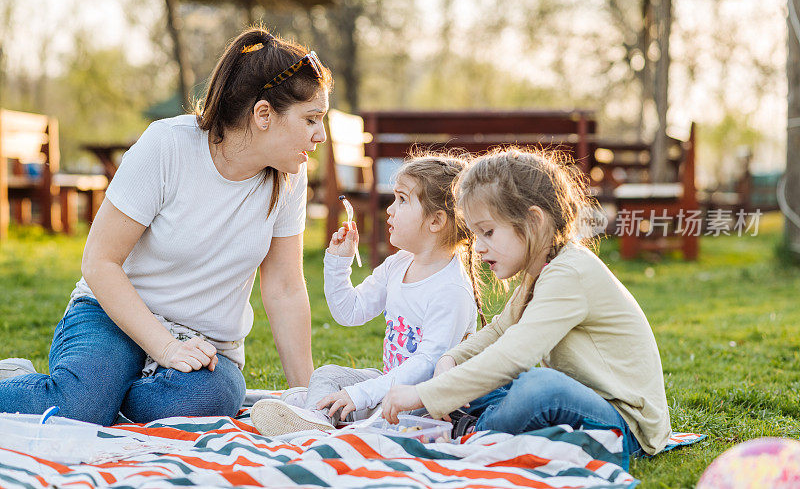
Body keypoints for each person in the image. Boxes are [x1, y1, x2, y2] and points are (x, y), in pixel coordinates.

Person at [0, 27, 333, 426]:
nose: (321, 135)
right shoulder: (167, 146)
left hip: (205, 342)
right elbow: (99, 261)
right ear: (263, 115)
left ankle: (102, 390)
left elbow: (284, 286)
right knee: (79, 407)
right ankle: (61, 386)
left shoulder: (288, 176)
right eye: (312, 119)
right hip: (115, 317)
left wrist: (305, 399)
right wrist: (164, 349)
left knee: (210, 398)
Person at [381, 147, 672, 457]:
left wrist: (425, 395)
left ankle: (471, 432)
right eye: (476, 234)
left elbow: (514, 354)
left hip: (626, 425)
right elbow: (499, 331)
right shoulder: (541, 270)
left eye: (489, 232)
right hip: (584, 402)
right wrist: (451, 360)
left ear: (534, 222)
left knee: (538, 387)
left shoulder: (569, 273)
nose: (478, 247)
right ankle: (478, 419)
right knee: (485, 381)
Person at [251, 153, 484, 435]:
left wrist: (360, 394)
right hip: (387, 386)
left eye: (402, 200)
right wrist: (339, 263)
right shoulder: (399, 264)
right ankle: (317, 416)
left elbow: (426, 366)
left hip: (422, 403)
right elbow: (350, 312)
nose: (389, 210)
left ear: (436, 221)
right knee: (326, 375)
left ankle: (314, 417)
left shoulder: (451, 291)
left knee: (362, 400)